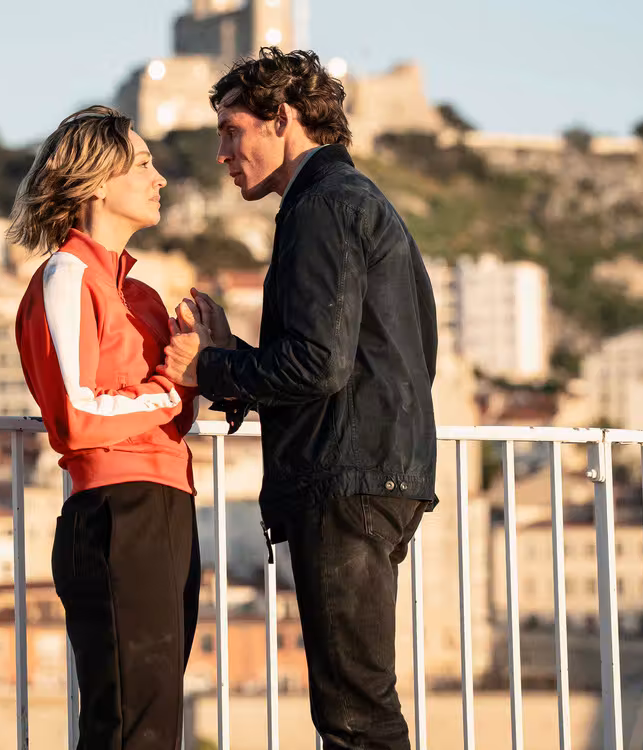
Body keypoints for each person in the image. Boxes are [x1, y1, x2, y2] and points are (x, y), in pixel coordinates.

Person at [160, 48, 439, 749]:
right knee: (360, 705)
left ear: (281, 119)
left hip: (343, 483)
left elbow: (317, 365)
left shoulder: (322, 207)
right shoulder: (362, 201)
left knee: (354, 718)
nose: (222, 154)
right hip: (379, 474)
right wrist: (231, 356)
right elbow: (394, 358)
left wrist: (208, 368)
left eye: (232, 131)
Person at [11, 105, 201, 749]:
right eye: (143, 164)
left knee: (154, 725)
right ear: (96, 181)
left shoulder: (144, 295)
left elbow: (177, 412)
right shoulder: (66, 276)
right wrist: (173, 388)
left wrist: (202, 360)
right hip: (115, 513)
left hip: (171, 506)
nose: (160, 178)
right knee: (126, 728)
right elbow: (76, 417)